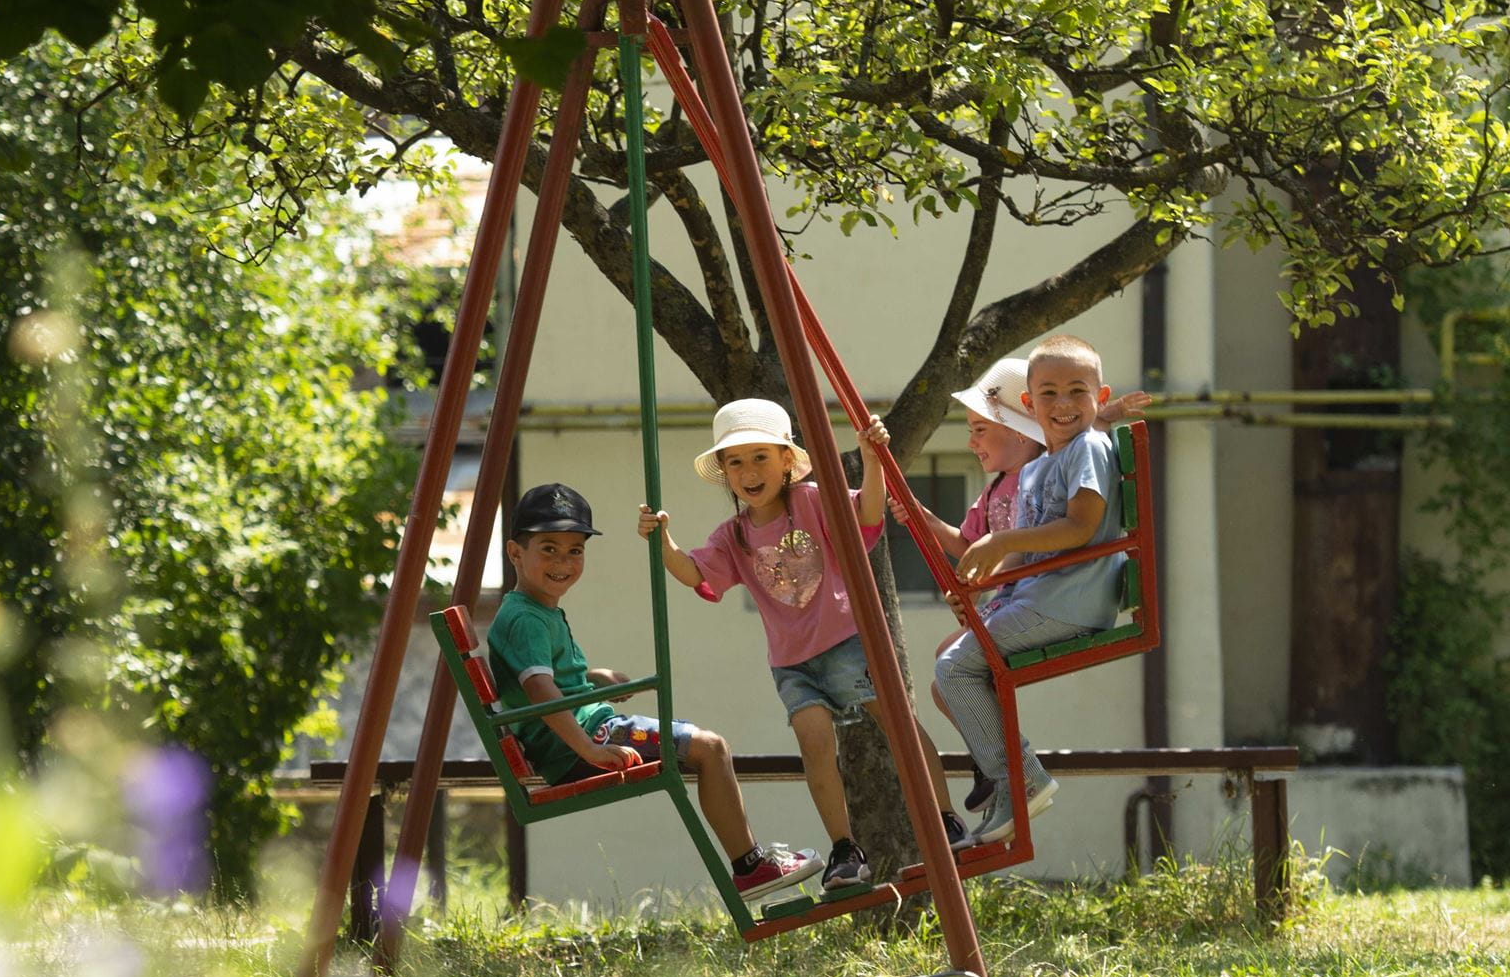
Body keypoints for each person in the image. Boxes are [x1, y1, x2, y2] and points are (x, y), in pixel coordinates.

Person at [640, 398, 954, 892]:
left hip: (845, 642)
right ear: (724, 472)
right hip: (792, 664)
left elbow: (867, 516)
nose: (748, 471)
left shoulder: (810, 501)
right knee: (813, 746)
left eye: (760, 456)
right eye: (735, 461)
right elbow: (694, 574)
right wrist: (663, 542)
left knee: (898, 725)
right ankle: (845, 850)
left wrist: (872, 461)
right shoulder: (732, 537)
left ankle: (944, 819)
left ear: (787, 459)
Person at [489, 481, 821, 904]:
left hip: (583, 731)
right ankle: (750, 868)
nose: (563, 562)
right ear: (516, 553)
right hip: (585, 741)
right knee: (709, 747)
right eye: (548, 549)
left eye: (575, 550)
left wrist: (593, 680)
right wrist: (590, 750)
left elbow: (545, 679)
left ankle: (751, 864)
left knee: (703, 746)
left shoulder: (532, 611)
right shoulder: (527, 619)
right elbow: (540, 691)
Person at [893, 354, 1149, 819]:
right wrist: (983, 579)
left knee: (954, 669)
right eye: (1048, 394)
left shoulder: (1081, 451)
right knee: (954, 671)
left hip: (1065, 603)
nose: (1063, 403)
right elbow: (1016, 555)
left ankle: (1016, 777)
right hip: (1041, 598)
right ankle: (1008, 776)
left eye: (1077, 391)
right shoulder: (1034, 471)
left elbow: (1081, 527)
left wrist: (1000, 543)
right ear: (1031, 406)